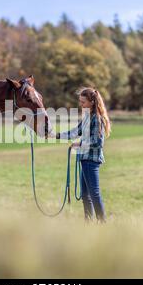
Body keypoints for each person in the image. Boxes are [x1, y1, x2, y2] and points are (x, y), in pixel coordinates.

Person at [54, 86, 111, 223]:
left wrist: (80, 144)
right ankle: (88, 223)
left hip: (91, 160)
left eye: (83, 102)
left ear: (92, 102)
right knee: (86, 195)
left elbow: (98, 142)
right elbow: (75, 132)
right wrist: (54, 135)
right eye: (80, 102)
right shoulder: (87, 117)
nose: (81, 105)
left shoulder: (96, 119)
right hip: (84, 159)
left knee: (94, 194)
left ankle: (102, 223)